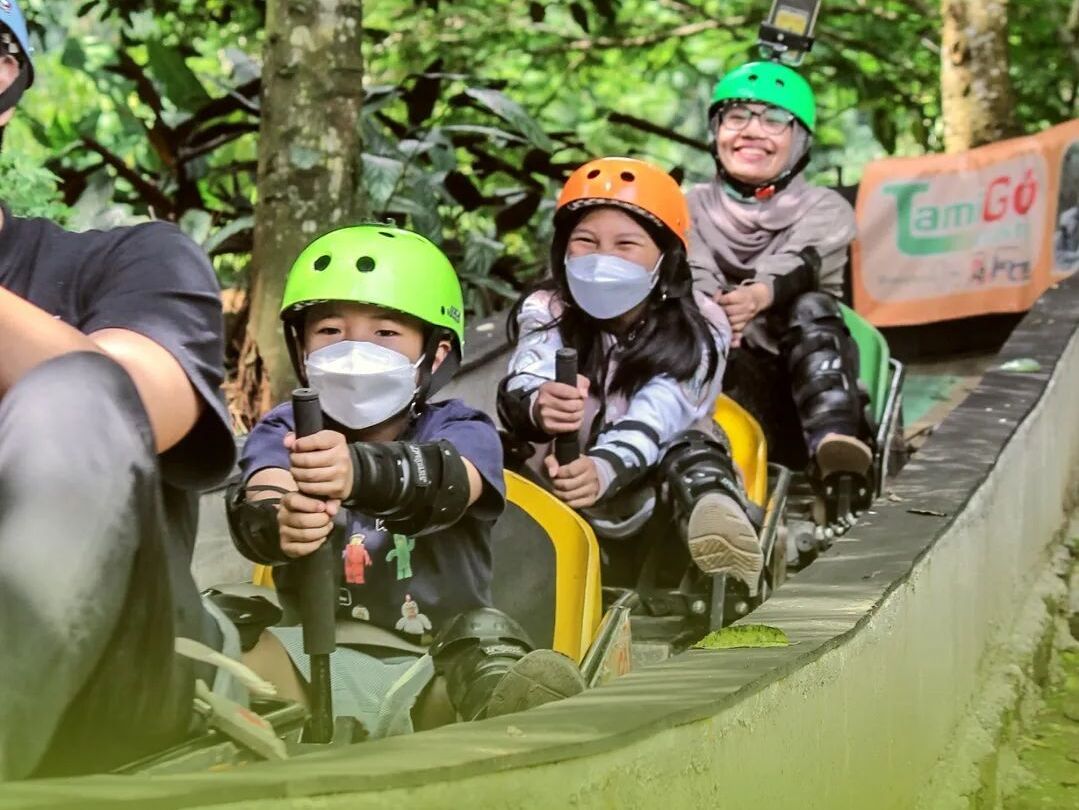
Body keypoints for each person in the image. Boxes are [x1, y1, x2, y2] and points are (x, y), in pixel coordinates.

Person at [0, 0, 238, 778]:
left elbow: (134, 403)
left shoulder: (131, 260)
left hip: (118, 668)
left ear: (7, 74)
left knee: (76, 393)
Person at [228, 225, 585, 733]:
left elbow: (451, 484)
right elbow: (263, 488)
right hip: (305, 656)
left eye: (385, 334)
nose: (354, 349)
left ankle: (518, 718)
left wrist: (357, 470)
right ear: (301, 345)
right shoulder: (286, 427)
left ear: (436, 354)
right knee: (220, 626)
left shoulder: (463, 428)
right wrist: (278, 518)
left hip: (433, 665)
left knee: (488, 642)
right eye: (330, 331)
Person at [497, 157, 763, 592]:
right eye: (586, 240)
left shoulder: (702, 324)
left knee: (693, 450)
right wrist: (539, 402)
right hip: (558, 481)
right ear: (563, 248)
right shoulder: (546, 309)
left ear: (664, 257)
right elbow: (526, 373)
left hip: (656, 490)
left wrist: (603, 468)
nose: (603, 259)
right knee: (488, 446)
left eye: (626, 245)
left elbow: (658, 416)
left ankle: (720, 547)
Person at [687, 60, 873, 492]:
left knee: (812, 306)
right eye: (737, 117)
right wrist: (715, 309)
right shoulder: (686, 206)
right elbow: (694, 266)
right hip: (715, 379)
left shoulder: (826, 209)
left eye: (774, 120)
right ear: (717, 131)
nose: (752, 130)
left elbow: (797, 264)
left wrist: (754, 298)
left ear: (799, 140)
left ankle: (835, 446)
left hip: (797, 387)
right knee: (681, 318)